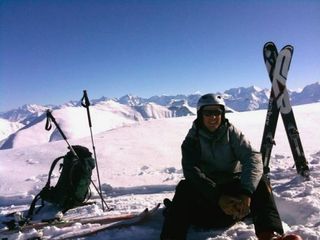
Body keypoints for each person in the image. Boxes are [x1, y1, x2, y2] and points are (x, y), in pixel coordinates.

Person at [160, 94, 302, 240]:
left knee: (261, 181)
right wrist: (218, 197)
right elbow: (192, 172)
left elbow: (253, 159)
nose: (213, 117)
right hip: (207, 204)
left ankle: (269, 235)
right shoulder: (192, 140)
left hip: (236, 205)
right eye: (208, 113)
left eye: (217, 112)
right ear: (200, 115)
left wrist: (246, 193)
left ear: (222, 114)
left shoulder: (232, 133)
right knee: (185, 187)